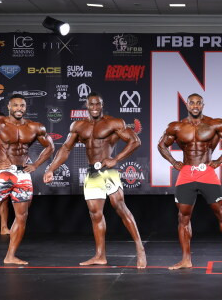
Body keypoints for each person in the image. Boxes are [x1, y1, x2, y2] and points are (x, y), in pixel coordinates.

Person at [44, 92, 146, 269]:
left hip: (108, 171)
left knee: (119, 206)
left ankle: (140, 249)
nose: (95, 107)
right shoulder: (78, 126)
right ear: (87, 105)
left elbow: (135, 141)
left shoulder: (113, 123)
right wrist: (51, 169)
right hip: (92, 173)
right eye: (92, 104)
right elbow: (66, 148)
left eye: (98, 104)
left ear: (102, 105)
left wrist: (116, 159)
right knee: (95, 213)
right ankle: (100, 255)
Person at [0, 94, 54, 269]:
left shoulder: (34, 127)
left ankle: (10, 256)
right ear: (9, 106)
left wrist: (36, 164)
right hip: (5, 173)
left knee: (22, 216)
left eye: (22, 105)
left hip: (23, 175)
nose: (19, 108)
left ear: (25, 107)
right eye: (15, 105)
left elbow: (50, 146)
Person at [157, 93, 222, 270]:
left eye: (198, 103)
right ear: (187, 105)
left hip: (207, 172)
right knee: (183, 217)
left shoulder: (215, 124)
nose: (195, 106)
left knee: (220, 212)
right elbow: (161, 145)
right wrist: (174, 162)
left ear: (203, 105)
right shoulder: (177, 126)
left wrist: (219, 160)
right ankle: (186, 259)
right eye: (192, 103)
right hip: (186, 172)